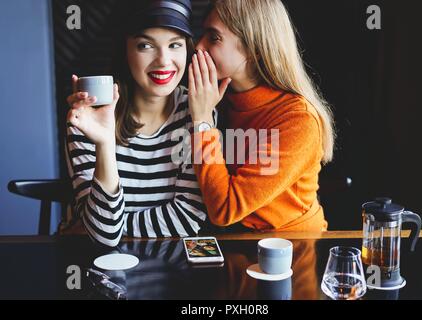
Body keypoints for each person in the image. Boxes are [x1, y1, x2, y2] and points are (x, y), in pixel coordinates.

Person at [60, 0, 213, 247]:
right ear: (125, 50)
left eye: (175, 45)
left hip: (168, 270)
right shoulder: (87, 118)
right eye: (145, 45)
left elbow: (187, 219)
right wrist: (105, 142)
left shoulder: (198, 111)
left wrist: (116, 225)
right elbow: (103, 235)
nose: (164, 60)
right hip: (95, 265)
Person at [188, 0, 335, 232]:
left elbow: (224, 208)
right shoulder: (218, 99)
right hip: (238, 244)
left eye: (214, 37)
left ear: (254, 48)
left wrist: (202, 121)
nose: (198, 46)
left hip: (293, 250)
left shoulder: (299, 120)